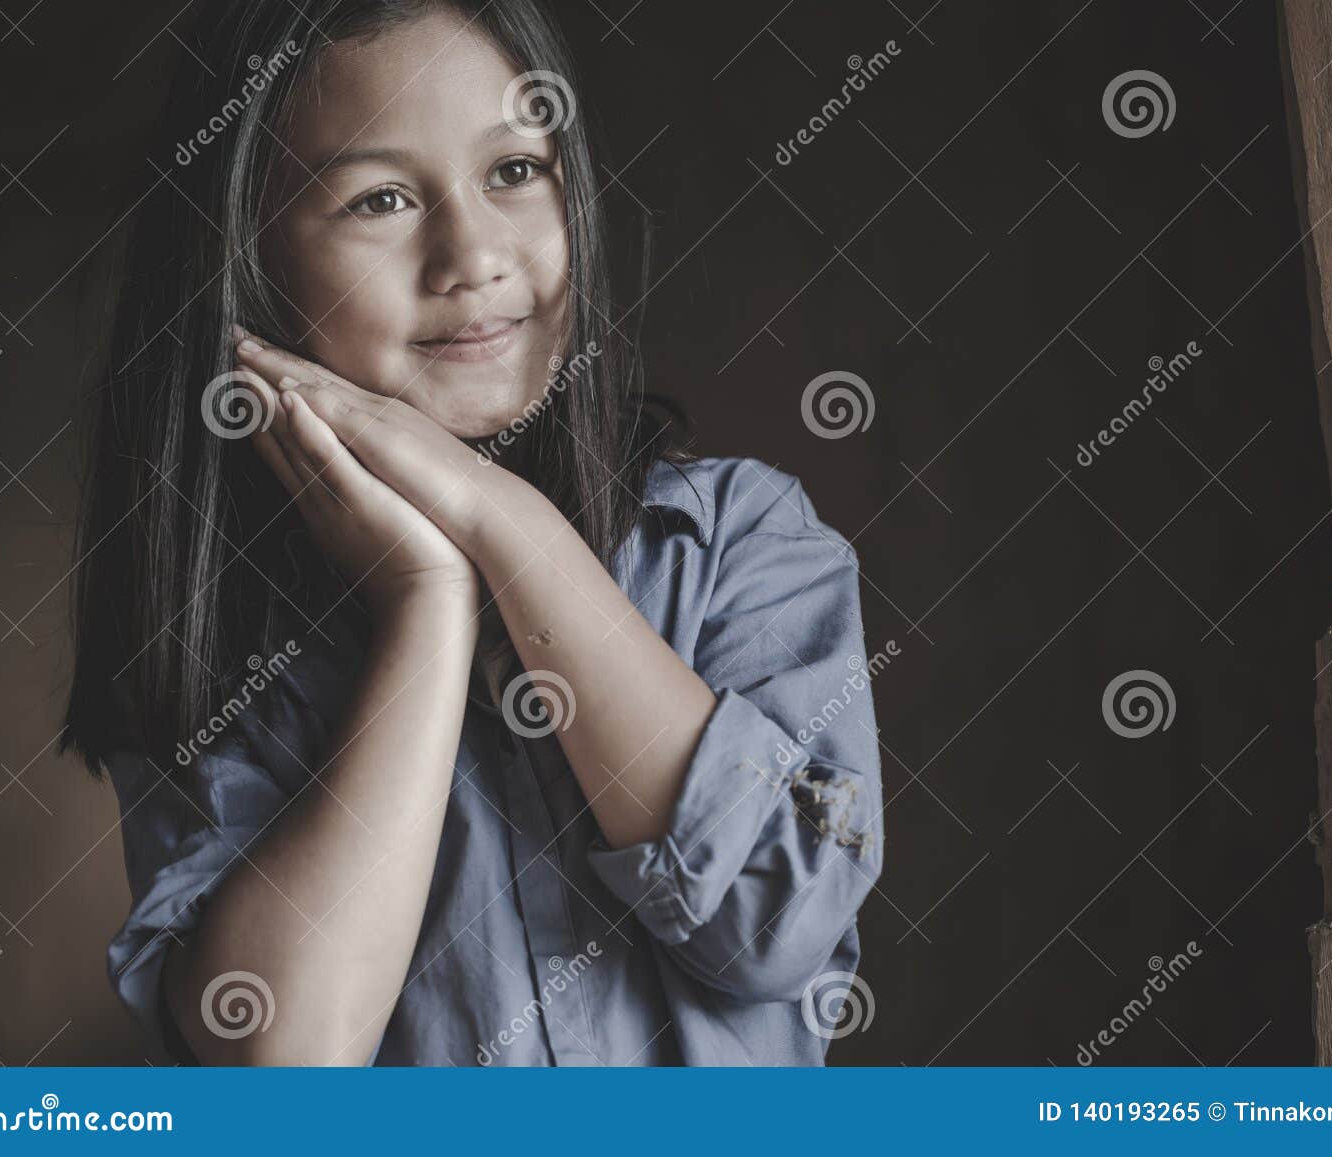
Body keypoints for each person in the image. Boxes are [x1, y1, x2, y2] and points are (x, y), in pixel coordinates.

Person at [63, 0, 883, 1066]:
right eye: (383, 198)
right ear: (245, 266)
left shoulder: (738, 543)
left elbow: (776, 922)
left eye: (512, 172)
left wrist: (504, 519)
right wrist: (427, 596)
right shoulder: (219, 650)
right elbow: (281, 1064)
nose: (474, 255)